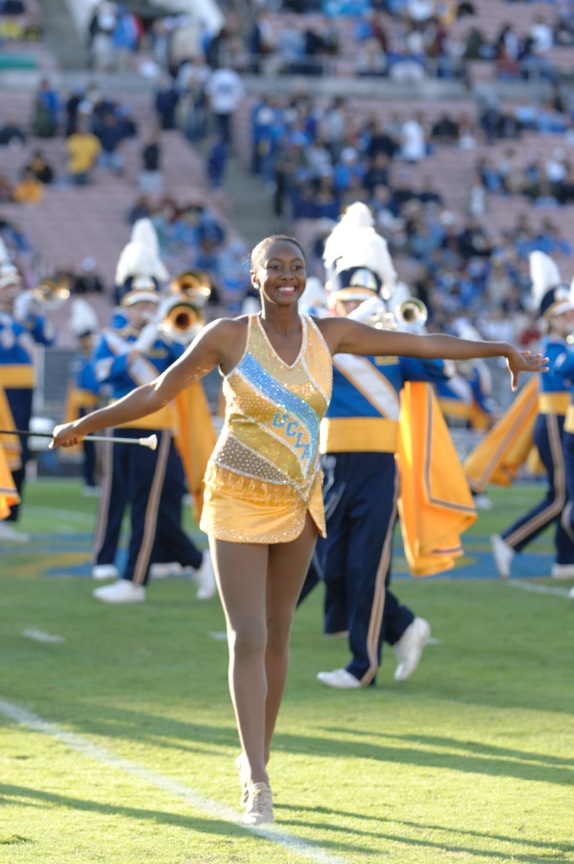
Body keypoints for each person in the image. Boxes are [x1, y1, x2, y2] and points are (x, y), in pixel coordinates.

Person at [51, 234, 546, 826]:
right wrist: (85, 421)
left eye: (296, 267)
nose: (288, 276)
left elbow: (417, 341)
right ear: (254, 276)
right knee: (249, 636)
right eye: (274, 268)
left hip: (300, 499)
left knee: (281, 632)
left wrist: (499, 350)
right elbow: (161, 390)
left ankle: (257, 754)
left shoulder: (328, 334)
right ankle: (256, 779)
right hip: (236, 495)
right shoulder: (227, 335)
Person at [298, 204, 446, 688]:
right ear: (335, 300)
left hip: (380, 467)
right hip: (330, 463)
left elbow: (437, 372)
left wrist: (409, 331)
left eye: (365, 297)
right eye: (348, 300)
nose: (355, 307)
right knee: (329, 566)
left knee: (365, 566)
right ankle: (403, 626)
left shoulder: (395, 341)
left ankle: (363, 666)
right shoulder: (320, 334)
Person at [491, 252, 574, 579]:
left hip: (562, 422)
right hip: (554, 423)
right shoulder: (553, 346)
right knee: (561, 497)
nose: (568, 318)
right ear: (549, 319)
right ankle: (510, 541)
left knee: (566, 493)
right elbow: (564, 366)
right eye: (561, 314)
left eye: (570, 312)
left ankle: (565, 561)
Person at [0, 246, 57, 542]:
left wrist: (34, 315)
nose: (12, 291)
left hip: (24, 386)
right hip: (2, 387)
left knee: (19, 448)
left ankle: (9, 517)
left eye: (14, 285)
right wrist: (17, 319)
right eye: (7, 286)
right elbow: (5, 343)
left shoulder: (24, 315)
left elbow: (49, 338)